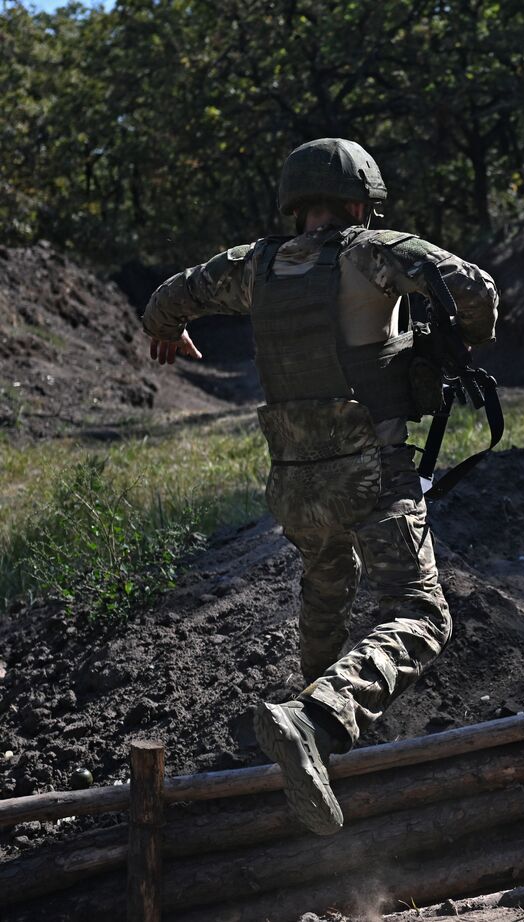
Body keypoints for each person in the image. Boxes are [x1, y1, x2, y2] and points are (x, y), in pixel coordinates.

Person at [141, 138, 498, 835]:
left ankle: (308, 740)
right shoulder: (372, 250)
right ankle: (317, 718)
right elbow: (476, 291)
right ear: (360, 202)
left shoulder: (256, 264)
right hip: (371, 469)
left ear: (296, 205)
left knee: (327, 591)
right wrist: (460, 340)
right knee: (423, 615)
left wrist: (166, 334)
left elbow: (169, 299)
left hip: (294, 484)